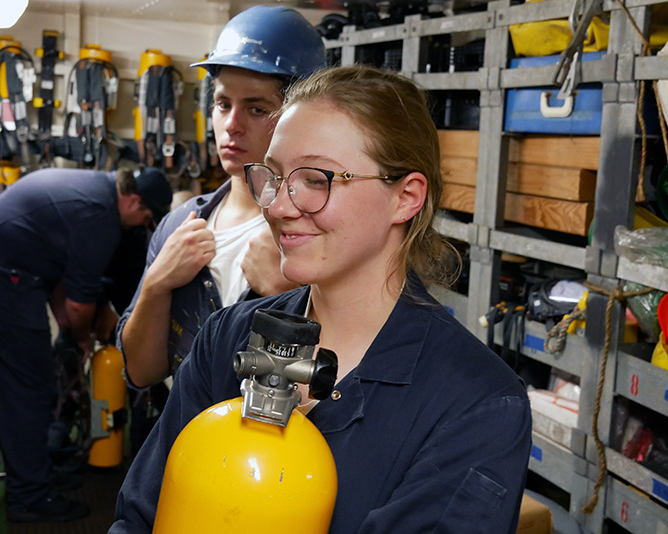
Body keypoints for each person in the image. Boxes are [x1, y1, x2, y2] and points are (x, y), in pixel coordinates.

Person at [109, 65, 532, 533]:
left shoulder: (477, 404)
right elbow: (141, 516)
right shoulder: (226, 338)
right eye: (273, 176)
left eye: (316, 178)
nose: (279, 206)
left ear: (406, 197)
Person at [117, 5, 327, 390]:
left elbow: (351, 382)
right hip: (185, 442)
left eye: (256, 108)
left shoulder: (322, 230)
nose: (231, 125)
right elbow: (141, 372)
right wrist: (156, 285)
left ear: (302, 115)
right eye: (222, 104)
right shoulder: (180, 225)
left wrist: (294, 299)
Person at [0, 166, 171, 523]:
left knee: (19, 381)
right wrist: (80, 338)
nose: (141, 224)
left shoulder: (94, 190)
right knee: (30, 386)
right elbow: (79, 306)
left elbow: (61, 277)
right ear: (132, 200)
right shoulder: (101, 216)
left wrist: (71, 324)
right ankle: (30, 495)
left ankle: (34, 472)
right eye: (145, 216)